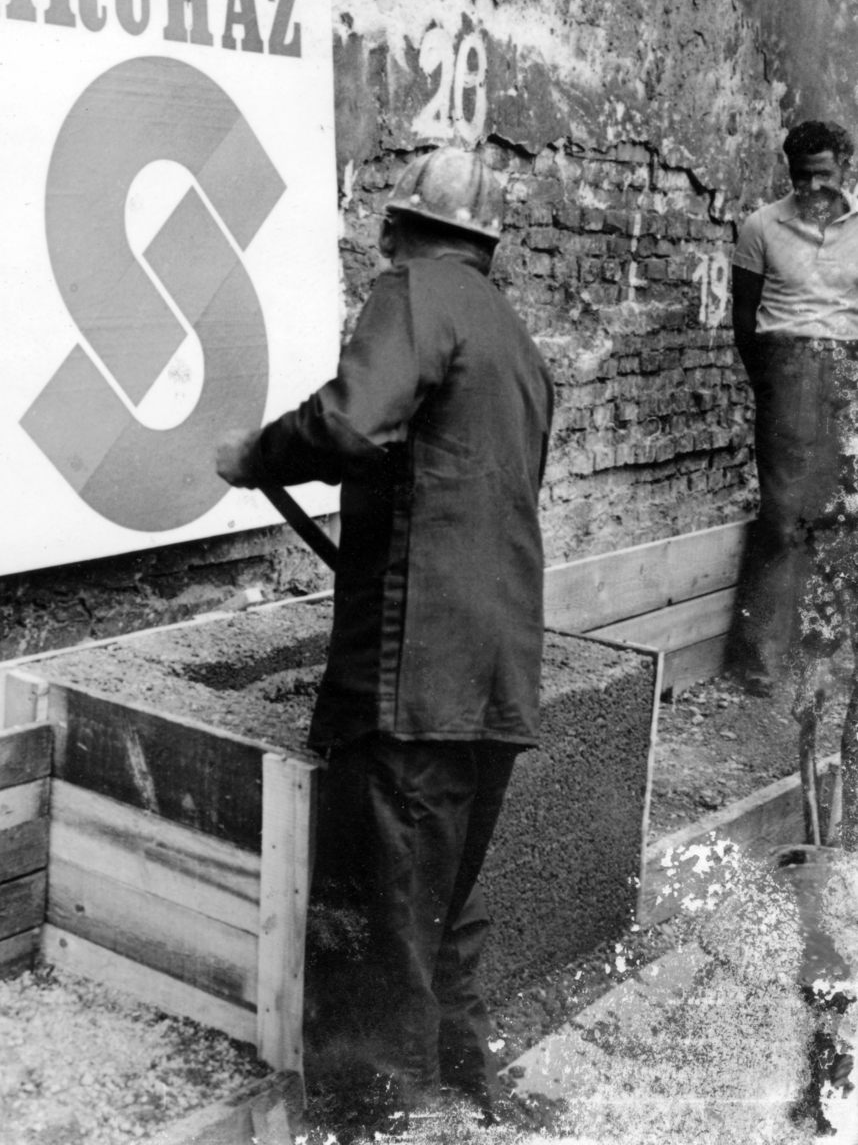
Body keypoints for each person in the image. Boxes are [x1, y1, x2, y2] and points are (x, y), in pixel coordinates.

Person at [216, 146, 553, 1126]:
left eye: (385, 236)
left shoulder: (414, 293)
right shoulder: (517, 345)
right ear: (487, 245)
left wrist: (258, 452)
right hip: (494, 673)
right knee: (444, 906)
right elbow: (456, 488)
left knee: (392, 925)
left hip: (419, 678)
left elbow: (352, 421)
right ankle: (475, 1089)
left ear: (398, 231)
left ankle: (393, 1114)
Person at [730, 120, 858, 708]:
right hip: (786, 365)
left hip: (847, 370)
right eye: (801, 175)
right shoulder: (762, 225)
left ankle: (817, 654)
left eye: (823, 174)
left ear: (846, 168)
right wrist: (773, 381)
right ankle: (759, 658)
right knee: (783, 515)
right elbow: (744, 319)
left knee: (834, 512)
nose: (812, 186)